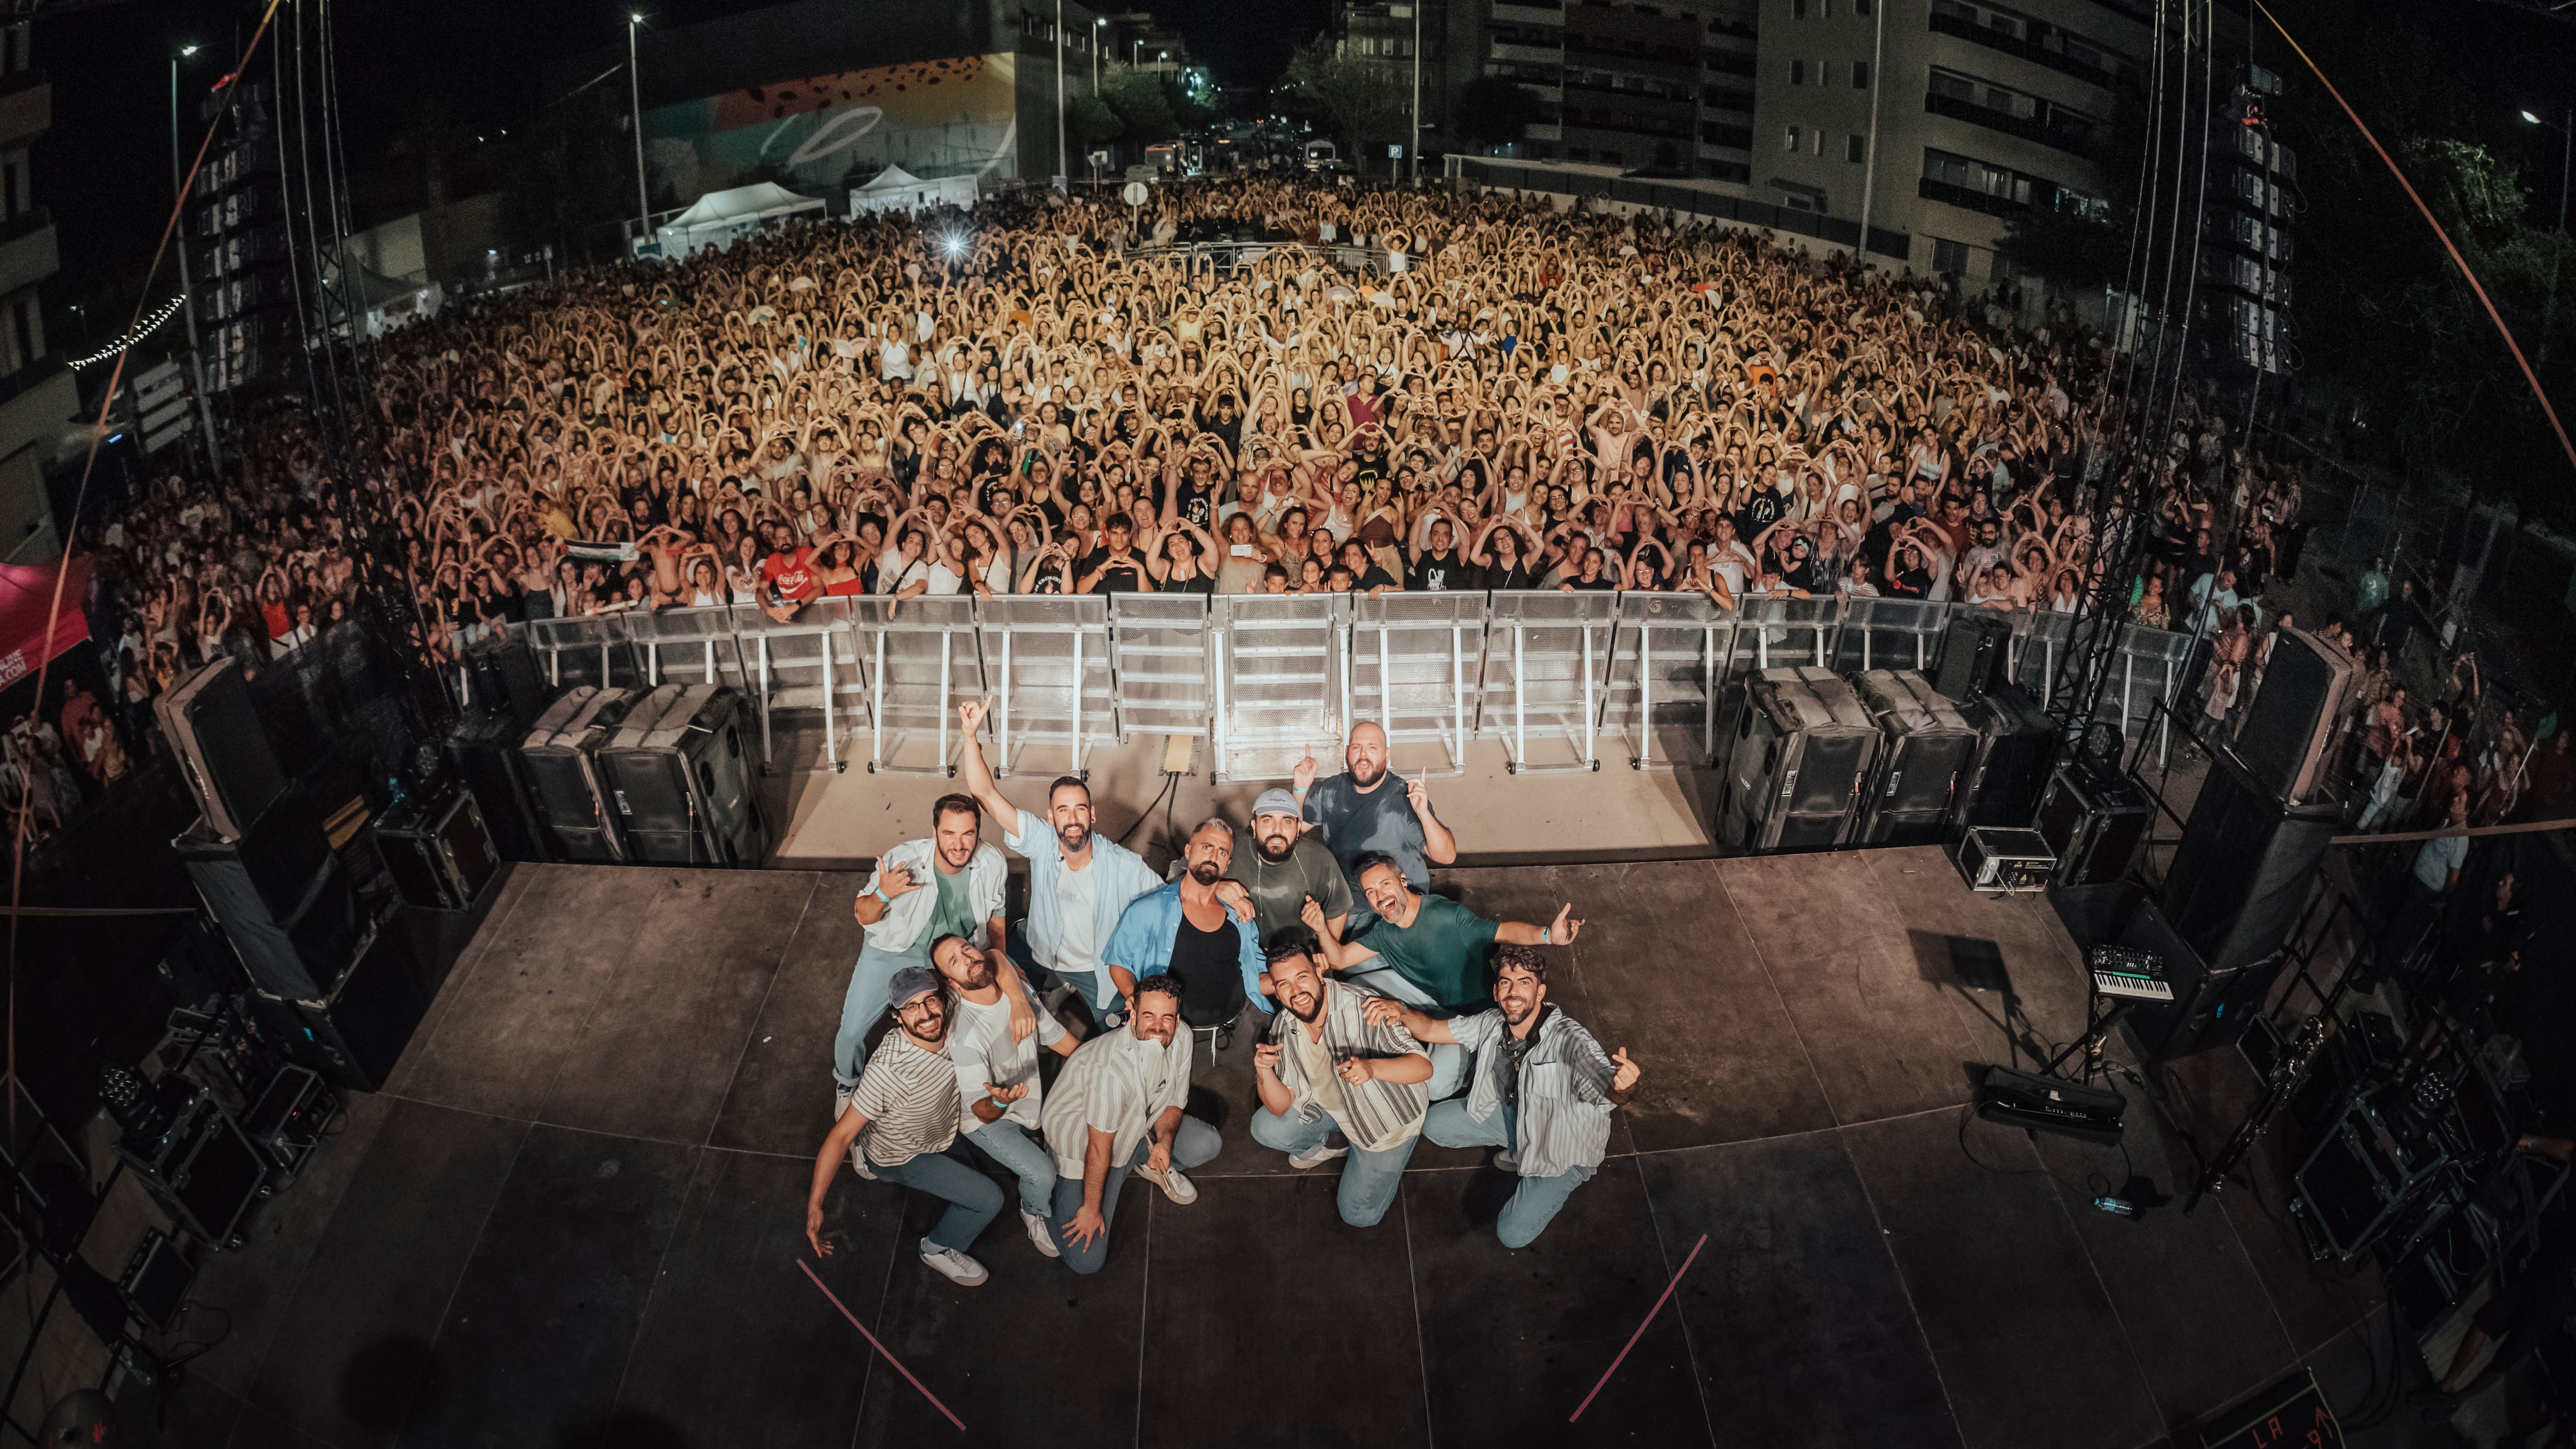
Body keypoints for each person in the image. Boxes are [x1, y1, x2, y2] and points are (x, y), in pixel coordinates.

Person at [1362, 947, 1641, 1248]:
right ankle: (1519, 1149)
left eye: (1525, 982)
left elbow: (1605, 1088)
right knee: (1434, 1125)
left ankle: (1551, 1171)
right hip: (1515, 1116)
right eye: (1507, 982)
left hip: (1562, 1149)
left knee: (1513, 1235)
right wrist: (1401, 1011)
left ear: (1540, 991)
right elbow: (1431, 1029)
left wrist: (1622, 1086)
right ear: (1496, 991)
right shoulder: (1493, 1022)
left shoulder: (1571, 1040)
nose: (1514, 991)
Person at [1302, 852, 1581, 1099]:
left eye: (1385, 884)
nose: (1380, 896)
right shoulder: (1383, 931)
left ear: (1402, 881)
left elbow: (1504, 930)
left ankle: (1474, 1064)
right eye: (1371, 892)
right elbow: (1338, 960)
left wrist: (1548, 936)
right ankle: (1393, 1035)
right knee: (1357, 985)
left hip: (1469, 1017)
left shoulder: (1446, 915)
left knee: (1435, 1088)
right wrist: (1320, 929)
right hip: (1430, 997)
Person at [953, 698, 1163, 1020]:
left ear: (1092, 814)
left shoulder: (1125, 865)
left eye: (1080, 808)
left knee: (1119, 1032)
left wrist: (1218, 889)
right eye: (1063, 810)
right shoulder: (1042, 841)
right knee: (994, 1002)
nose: (1073, 818)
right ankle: (1051, 988)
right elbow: (985, 794)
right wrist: (970, 736)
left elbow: (1169, 903)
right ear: (1051, 818)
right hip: (1041, 948)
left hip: (1094, 968)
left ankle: (1066, 988)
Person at [803, 966, 1004, 1287]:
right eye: (910, 1007)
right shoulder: (888, 1073)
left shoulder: (947, 1010)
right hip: (900, 1155)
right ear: (897, 1017)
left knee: (973, 1169)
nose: (925, 1014)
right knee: (989, 1199)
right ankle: (936, 1248)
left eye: (929, 1001)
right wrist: (815, 1205)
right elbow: (840, 1135)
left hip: (938, 1128)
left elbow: (992, 963)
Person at [839, 796, 1032, 1128]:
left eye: (968, 834)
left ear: (978, 832)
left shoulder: (993, 863)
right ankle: (847, 1082)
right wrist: (883, 894)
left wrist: (1002, 965)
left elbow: (997, 921)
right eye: (949, 834)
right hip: (896, 948)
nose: (959, 844)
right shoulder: (904, 858)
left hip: (951, 955)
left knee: (976, 1019)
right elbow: (863, 915)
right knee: (852, 1030)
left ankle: (976, 1089)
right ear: (935, 832)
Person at [1040, 974, 1221, 1274]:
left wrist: (1163, 1142)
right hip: (1084, 1149)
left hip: (1137, 1130)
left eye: (1167, 1017)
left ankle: (1142, 1160)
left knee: (1207, 1144)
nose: (1158, 1027)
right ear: (1132, 1012)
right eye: (1148, 1015)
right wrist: (1091, 1209)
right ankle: (1036, 1203)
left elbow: (1175, 1101)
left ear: (1177, 1018)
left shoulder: (1182, 1036)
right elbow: (1099, 1150)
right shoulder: (1109, 1068)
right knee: (1086, 1261)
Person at [1249, 936, 1432, 1227]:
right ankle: (1336, 1142)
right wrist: (1264, 1071)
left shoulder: (1365, 1008)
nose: (1296, 991)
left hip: (1384, 1126)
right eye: (1283, 984)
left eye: (1302, 977)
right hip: (1331, 1106)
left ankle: (1390, 1155)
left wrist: (1372, 1068)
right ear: (1276, 990)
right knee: (1265, 1128)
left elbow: (1423, 1068)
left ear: (1319, 973)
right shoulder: (1284, 1026)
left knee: (1358, 1216)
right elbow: (1280, 1106)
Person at [927, 933, 1080, 1258]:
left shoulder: (1015, 990)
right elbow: (981, 1112)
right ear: (952, 983)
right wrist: (1000, 1100)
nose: (967, 958)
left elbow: (1058, 1040)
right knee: (1042, 1174)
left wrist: (1098, 1065)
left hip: (1026, 1105)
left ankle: (1031, 1137)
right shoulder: (965, 1037)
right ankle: (1033, 1210)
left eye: (965, 949)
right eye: (955, 962)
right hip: (989, 1121)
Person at [1101, 818, 1269, 1044]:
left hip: (1237, 1033)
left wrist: (1293, 980)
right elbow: (1119, 962)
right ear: (1189, 850)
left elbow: (1256, 975)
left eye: (1222, 852)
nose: (1213, 856)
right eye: (1207, 847)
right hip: (1171, 1038)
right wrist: (1135, 998)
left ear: (1228, 863)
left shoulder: (1241, 916)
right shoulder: (1148, 908)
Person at [1294, 720, 1458, 933]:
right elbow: (1288, 837)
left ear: (1386, 755)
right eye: (1356, 748)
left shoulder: (1404, 796)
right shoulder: (1330, 790)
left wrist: (1423, 813)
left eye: (1372, 748)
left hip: (1400, 914)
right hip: (1347, 915)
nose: (1363, 756)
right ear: (1347, 753)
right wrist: (1300, 788)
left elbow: (1447, 857)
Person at [1223, 786, 1355, 954]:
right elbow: (1184, 877)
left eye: (1287, 821)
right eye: (1268, 820)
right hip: (1241, 954)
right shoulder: (1229, 846)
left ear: (1298, 827)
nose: (1277, 831)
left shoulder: (1319, 858)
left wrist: (1326, 955)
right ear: (1254, 827)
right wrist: (1216, 888)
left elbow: (1338, 909)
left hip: (1298, 957)